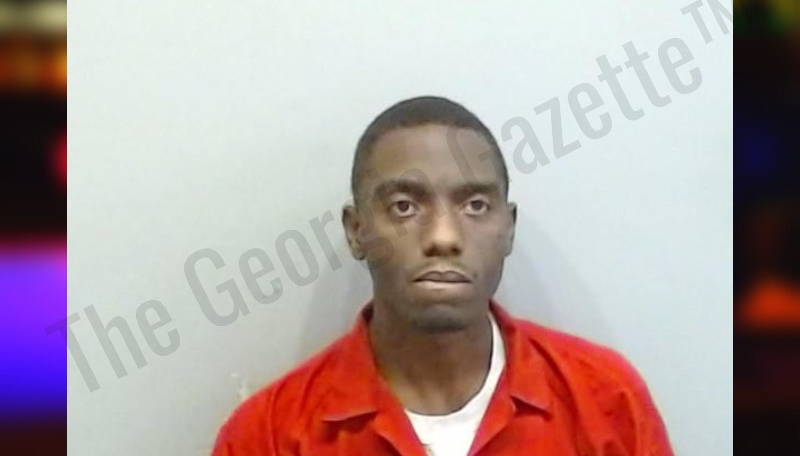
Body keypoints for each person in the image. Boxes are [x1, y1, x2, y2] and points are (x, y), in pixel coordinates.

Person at [212, 96, 673, 455]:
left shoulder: (606, 401)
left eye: (475, 205)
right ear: (356, 231)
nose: (443, 237)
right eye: (404, 207)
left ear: (508, 228)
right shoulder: (268, 435)